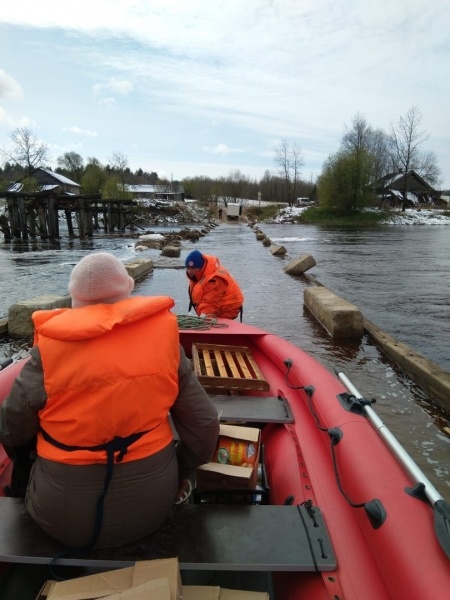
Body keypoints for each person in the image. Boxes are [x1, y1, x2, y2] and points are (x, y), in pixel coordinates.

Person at [0, 252, 219, 549]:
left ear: (73, 298)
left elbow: (12, 429)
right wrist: (179, 472)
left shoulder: (47, 351)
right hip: (153, 506)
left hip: (60, 519)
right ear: (128, 289)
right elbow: (205, 427)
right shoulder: (166, 342)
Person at [185, 250, 244, 320]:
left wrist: (203, 318)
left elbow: (210, 302)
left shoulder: (215, 279)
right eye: (188, 268)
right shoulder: (198, 276)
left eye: (193, 268)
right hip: (216, 308)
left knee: (212, 324)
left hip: (227, 308)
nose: (190, 271)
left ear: (201, 267)